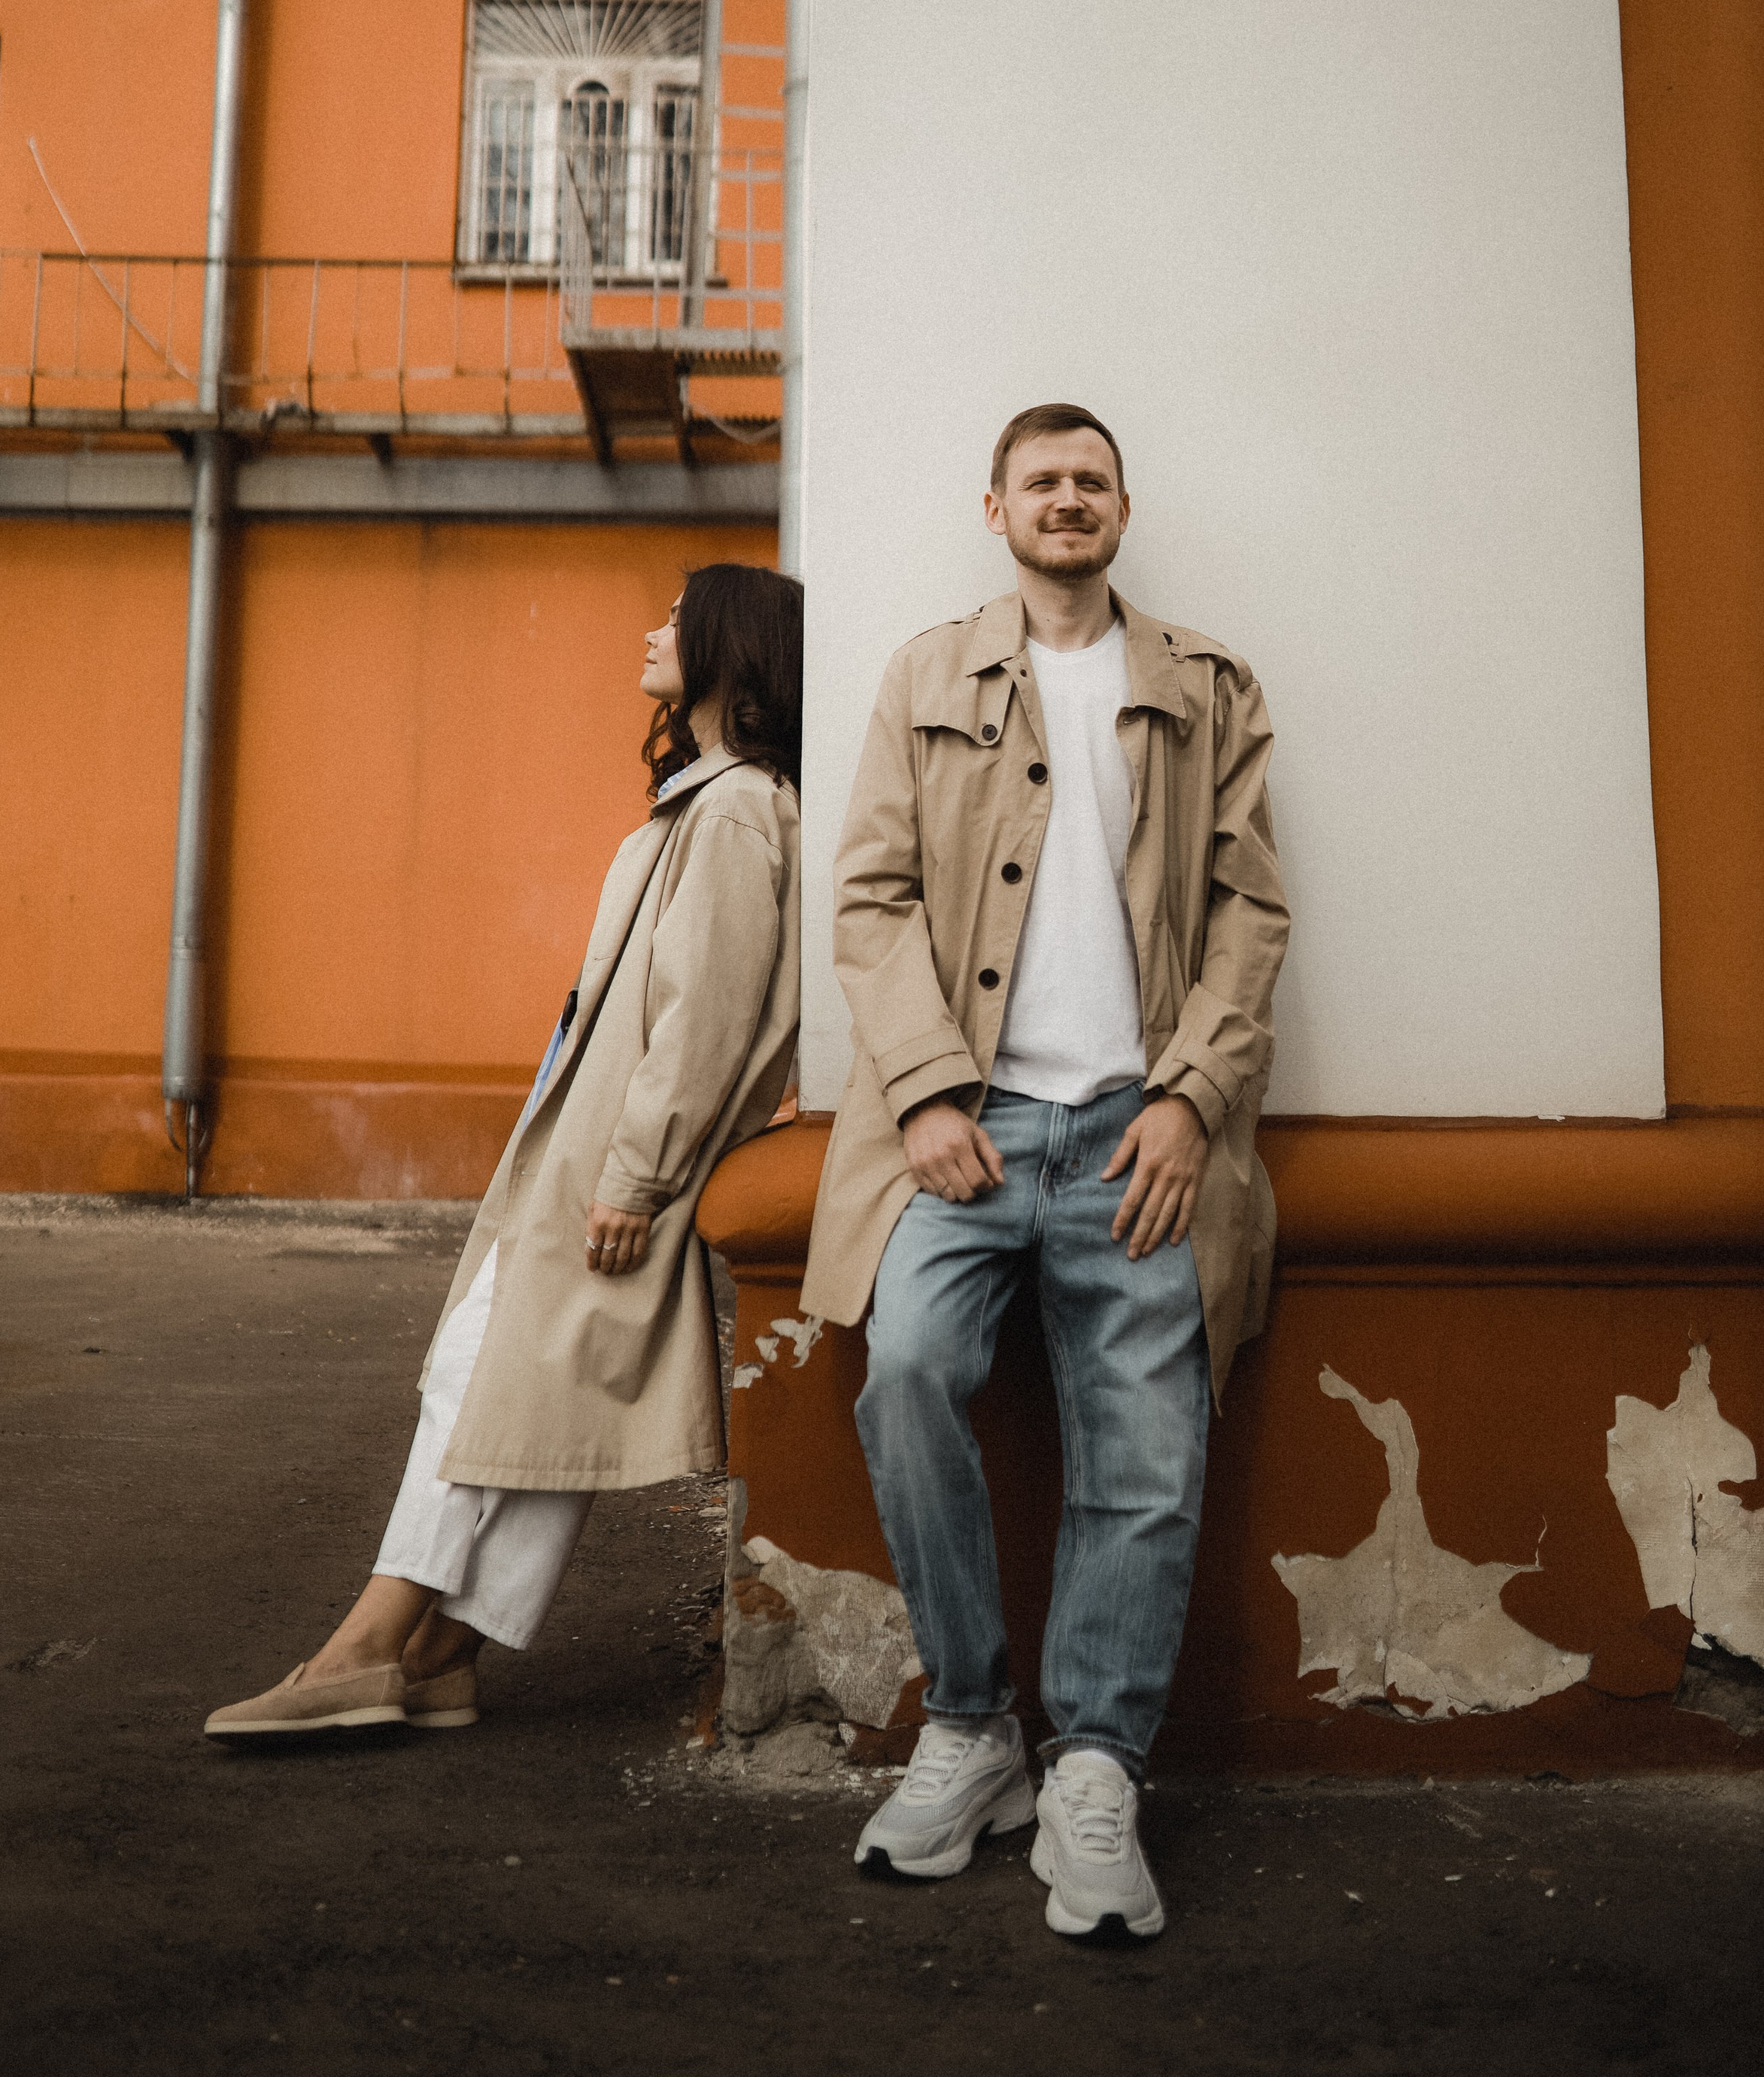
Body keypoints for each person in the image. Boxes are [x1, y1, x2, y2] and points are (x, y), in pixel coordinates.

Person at [800, 405, 1288, 1940]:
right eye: (1039, 482)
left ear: (1121, 507)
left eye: (1088, 481)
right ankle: (970, 1725)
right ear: (994, 508)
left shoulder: (1204, 687)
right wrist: (933, 1088)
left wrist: (1193, 1099)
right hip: (964, 1130)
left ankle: (1094, 1772)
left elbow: (1246, 912)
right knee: (909, 1371)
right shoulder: (924, 674)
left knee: (1142, 1450)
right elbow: (868, 897)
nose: (1064, 501)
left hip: (1137, 1134)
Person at [206, 562, 803, 1739]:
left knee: (481, 1384)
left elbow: (706, 1019)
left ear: (731, 651)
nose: (650, 630)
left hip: (613, 1167)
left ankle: (365, 1647)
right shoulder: (716, 798)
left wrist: (638, 1175)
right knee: (542, 1406)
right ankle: (439, 1657)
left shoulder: (734, 808)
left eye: (674, 618)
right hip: (603, 1157)